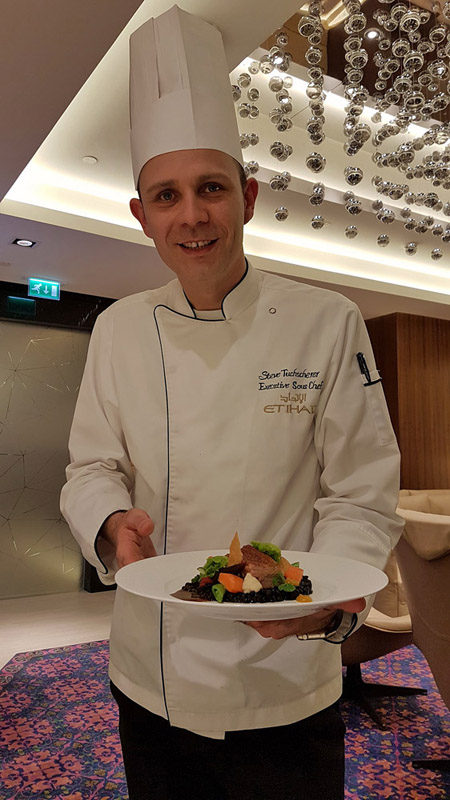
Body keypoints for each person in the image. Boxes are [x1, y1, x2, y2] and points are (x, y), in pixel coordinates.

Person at [60, 6, 402, 799]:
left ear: (246, 196)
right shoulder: (116, 330)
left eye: (211, 188)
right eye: (167, 195)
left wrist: (327, 601)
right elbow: (90, 468)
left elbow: (360, 490)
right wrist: (113, 525)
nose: (193, 214)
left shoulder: (327, 321)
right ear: (141, 217)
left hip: (286, 673)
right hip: (151, 671)